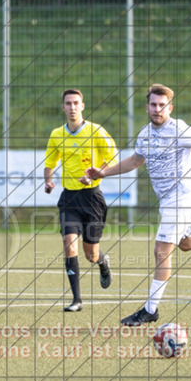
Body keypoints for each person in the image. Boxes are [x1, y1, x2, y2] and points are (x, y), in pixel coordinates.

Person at [84, 84, 191, 326]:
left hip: (182, 197)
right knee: (186, 243)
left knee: (161, 250)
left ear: (170, 108)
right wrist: (103, 172)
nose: (157, 109)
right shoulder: (145, 133)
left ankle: (150, 310)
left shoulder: (179, 129)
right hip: (167, 201)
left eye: (162, 105)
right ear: (147, 107)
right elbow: (135, 160)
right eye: (153, 105)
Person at [44, 89, 117, 312]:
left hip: (92, 198)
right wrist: (48, 181)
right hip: (69, 199)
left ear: (83, 106)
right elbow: (50, 162)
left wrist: (94, 175)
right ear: (63, 107)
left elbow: (113, 159)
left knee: (91, 255)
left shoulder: (96, 131)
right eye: (68, 103)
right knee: (69, 245)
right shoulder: (57, 134)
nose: (72, 107)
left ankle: (103, 261)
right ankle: (77, 300)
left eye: (76, 103)